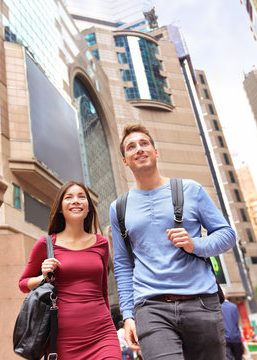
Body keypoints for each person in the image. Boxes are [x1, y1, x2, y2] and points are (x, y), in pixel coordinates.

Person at [110, 123, 236, 359]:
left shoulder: (191, 189)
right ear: (125, 161)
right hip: (151, 308)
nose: (139, 149)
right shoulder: (119, 208)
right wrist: (127, 315)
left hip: (202, 304)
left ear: (155, 152)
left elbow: (227, 235)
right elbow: (123, 265)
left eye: (144, 143)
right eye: (131, 147)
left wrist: (194, 244)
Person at [19, 181, 121, 359]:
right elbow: (23, 284)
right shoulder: (46, 244)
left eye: (81, 197)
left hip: (102, 334)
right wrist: (43, 277)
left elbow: (103, 290)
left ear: (88, 208)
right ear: (60, 208)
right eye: (69, 197)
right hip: (63, 339)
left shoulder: (101, 243)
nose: (76, 201)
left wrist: (113, 328)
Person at [221, 292, 244, 360]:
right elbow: (236, 322)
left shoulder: (217, 308)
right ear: (227, 296)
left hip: (224, 338)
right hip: (236, 337)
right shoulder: (233, 306)